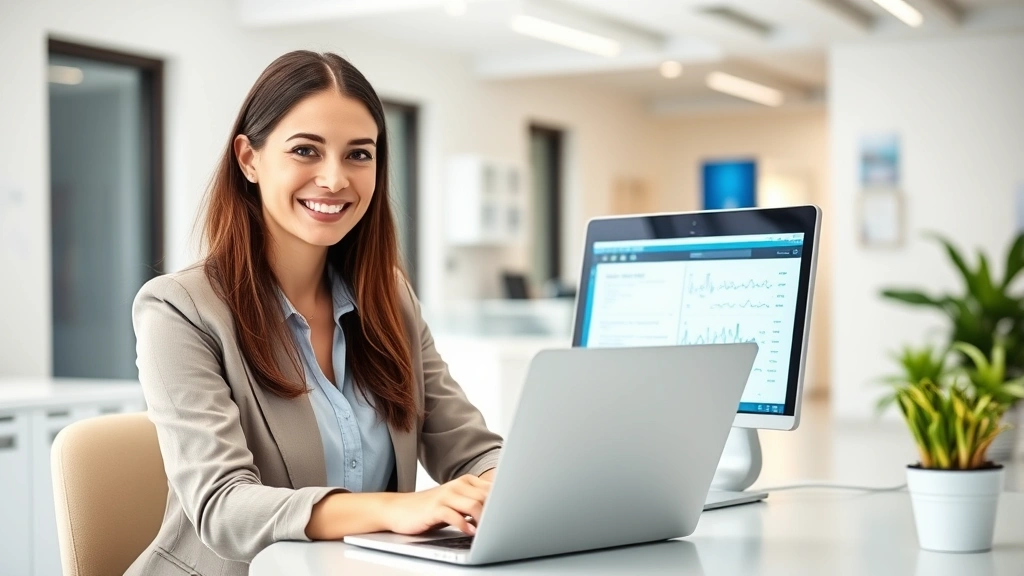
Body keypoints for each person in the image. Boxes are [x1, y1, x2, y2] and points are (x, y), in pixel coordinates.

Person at [125, 50, 502, 576]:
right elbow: (224, 508)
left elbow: (469, 450)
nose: (334, 179)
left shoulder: (389, 299)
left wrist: (515, 484)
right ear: (248, 159)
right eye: (306, 150)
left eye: (358, 155)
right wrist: (398, 509)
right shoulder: (180, 310)